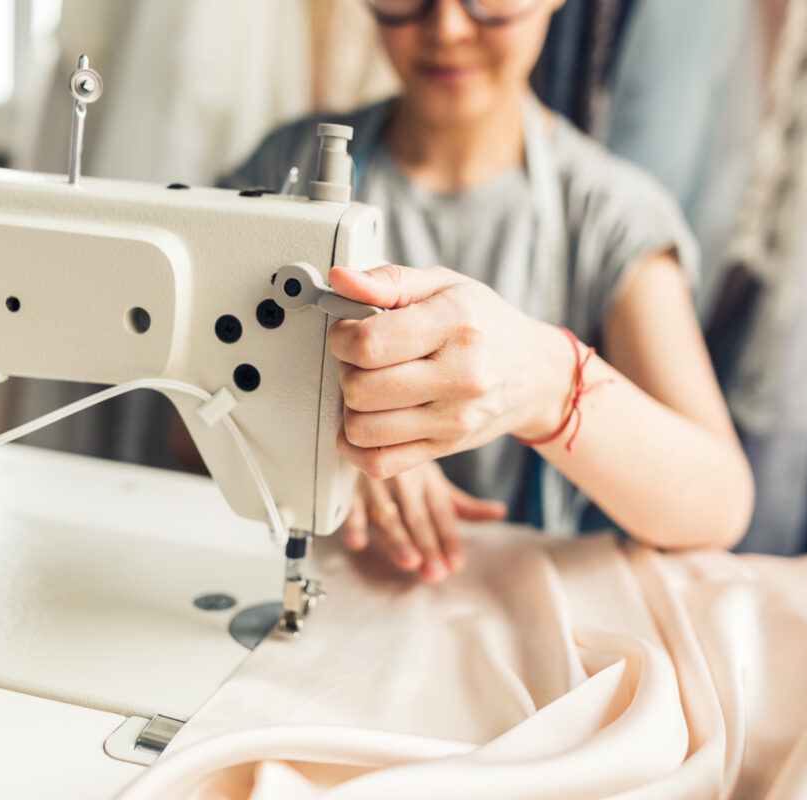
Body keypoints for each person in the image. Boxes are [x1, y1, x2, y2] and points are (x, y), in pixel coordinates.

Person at [221, 0, 754, 581]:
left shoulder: (614, 219)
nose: (446, 28)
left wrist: (546, 383)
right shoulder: (282, 168)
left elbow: (720, 504)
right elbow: (180, 430)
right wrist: (330, 437)